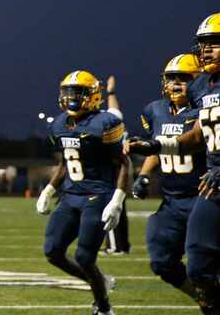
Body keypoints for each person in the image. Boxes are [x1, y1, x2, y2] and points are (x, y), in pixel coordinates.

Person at [128, 13, 220, 314]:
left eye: (214, 43)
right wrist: (156, 146)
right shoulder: (205, 87)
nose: (206, 50)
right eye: (203, 44)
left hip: (204, 186)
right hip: (203, 189)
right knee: (196, 268)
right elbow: (196, 135)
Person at [36, 70, 130, 315]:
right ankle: (100, 281)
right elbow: (65, 163)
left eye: (77, 93)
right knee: (53, 251)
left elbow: (124, 163)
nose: (70, 98)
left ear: (92, 95)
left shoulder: (104, 123)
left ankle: (104, 308)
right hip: (70, 196)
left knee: (85, 257)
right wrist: (49, 188)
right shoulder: (59, 124)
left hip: (97, 196)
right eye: (67, 92)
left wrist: (118, 199)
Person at [129, 54, 205, 308]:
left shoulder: (205, 110)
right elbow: (157, 147)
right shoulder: (155, 110)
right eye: (171, 78)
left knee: (202, 264)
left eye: (183, 78)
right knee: (161, 260)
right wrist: (143, 174)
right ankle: (205, 299)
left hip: (203, 197)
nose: (174, 84)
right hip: (171, 200)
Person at [102, 76, 130, 254]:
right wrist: (110, 92)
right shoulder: (115, 123)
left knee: (111, 207)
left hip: (113, 170)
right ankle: (122, 245)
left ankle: (115, 246)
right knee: (119, 207)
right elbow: (114, 109)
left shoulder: (109, 128)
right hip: (121, 169)